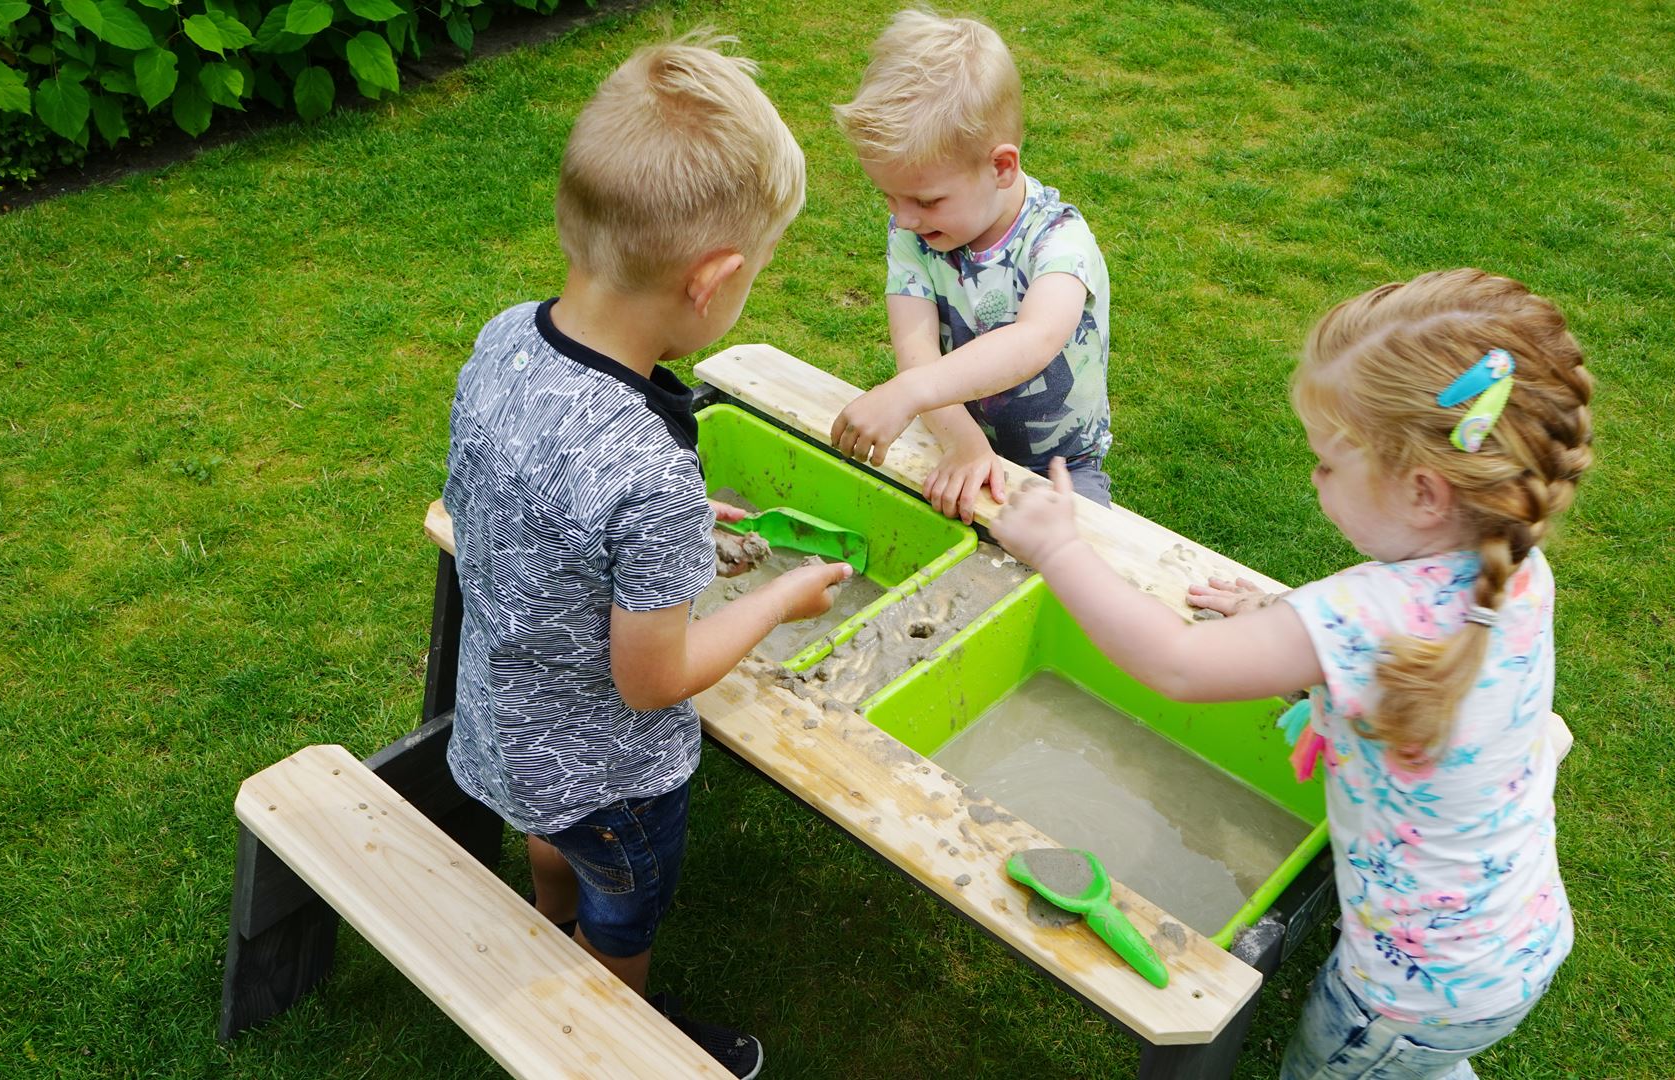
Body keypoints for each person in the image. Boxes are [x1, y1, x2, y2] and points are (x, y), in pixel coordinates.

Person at [990, 269, 1594, 1078]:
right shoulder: (1512, 567)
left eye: (1325, 465)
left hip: (1396, 994)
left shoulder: (1359, 618)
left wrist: (1057, 548)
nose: (1311, 480)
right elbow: (1395, 648)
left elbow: (1175, 663)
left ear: (1422, 492)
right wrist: (1281, 625)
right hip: (1510, 939)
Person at [441, 34, 848, 1079]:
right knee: (623, 922)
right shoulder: (650, 476)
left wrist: (668, 532)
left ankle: (547, 923)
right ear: (712, 283)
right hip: (612, 781)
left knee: (552, 845)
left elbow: (531, 505)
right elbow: (652, 677)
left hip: (504, 725)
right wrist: (780, 599)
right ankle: (609, 1035)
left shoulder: (500, 339)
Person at [828, 8, 1113, 521]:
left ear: (1001, 167)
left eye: (926, 200)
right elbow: (915, 353)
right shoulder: (914, 231)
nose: (905, 218)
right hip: (953, 433)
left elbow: (1034, 341)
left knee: (1071, 576)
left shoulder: (1058, 240)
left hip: (1063, 465)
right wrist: (964, 444)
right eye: (888, 197)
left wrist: (912, 392)